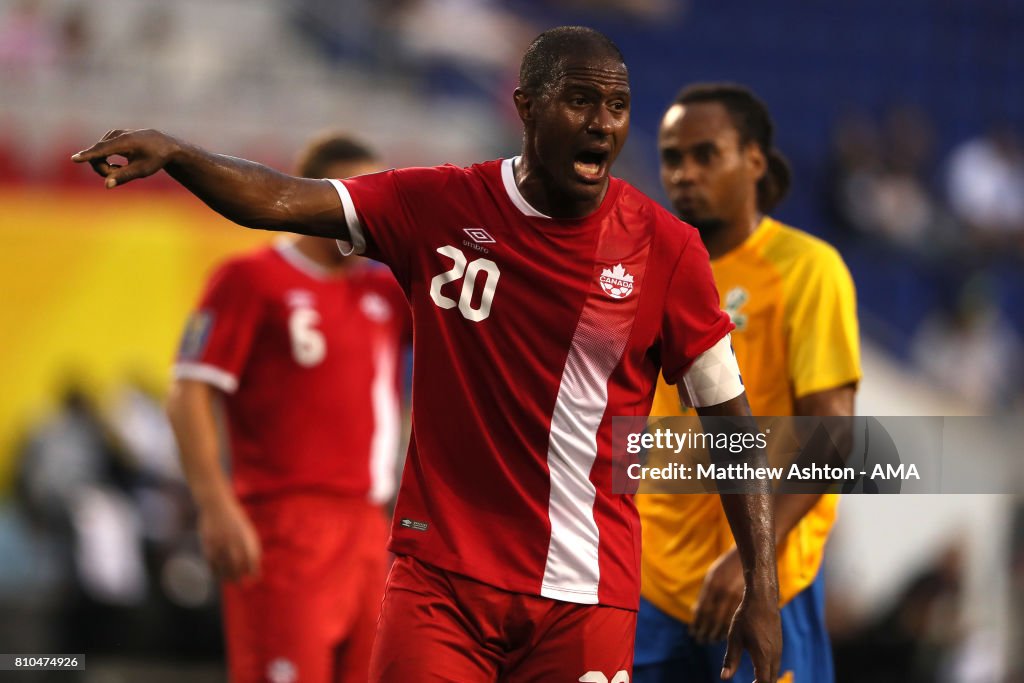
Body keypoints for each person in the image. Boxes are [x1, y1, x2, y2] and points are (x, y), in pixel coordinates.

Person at [73, 26, 782, 682]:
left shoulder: (667, 247)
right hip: (439, 579)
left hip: (585, 593)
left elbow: (730, 420)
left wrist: (762, 583)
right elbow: (284, 200)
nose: (604, 122)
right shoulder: (438, 204)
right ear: (526, 108)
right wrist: (181, 154)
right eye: (581, 101)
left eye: (619, 105)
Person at [634, 83, 861, 683]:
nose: (684, 173)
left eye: (706, 154)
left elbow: (833, 439)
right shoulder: (644, 268)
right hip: (646, 577)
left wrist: (750, 561)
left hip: (768, 583)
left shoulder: (806, 270)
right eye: (672, 158)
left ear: (754, 161)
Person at [165, 134, 409, 683]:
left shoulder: (382, 294)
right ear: (313, 199)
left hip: (369, 527)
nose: (367, 212)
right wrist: (216, 505)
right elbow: (188, 393)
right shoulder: (251, 280)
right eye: (354, 195)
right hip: (284, 521)